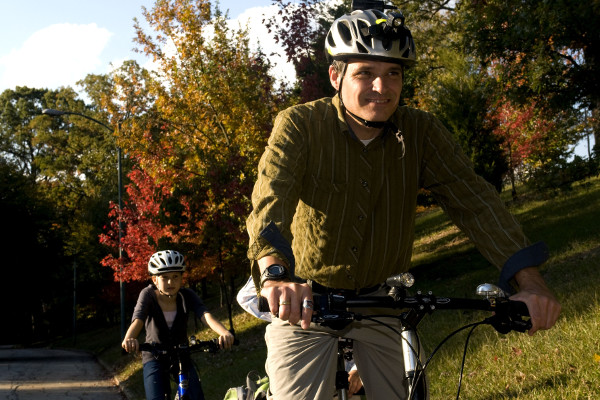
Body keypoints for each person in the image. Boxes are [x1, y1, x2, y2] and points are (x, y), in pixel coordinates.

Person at [245, 5, 561, 400]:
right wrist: (275, 272)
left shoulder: (421, 132)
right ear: (335, 75)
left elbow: (476, 203)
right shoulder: (300, 125)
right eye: (365, 73)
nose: (382, 87)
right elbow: (270, 199)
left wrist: (530, 282)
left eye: (393, 73)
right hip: (304, 302)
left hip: (382, 302)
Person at [122, 250, 235, 400]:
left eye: (175, 277)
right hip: (154, 355)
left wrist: (224, 333)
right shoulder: (148, 295)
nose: (170, 282)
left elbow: (205, 315)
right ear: (155, 280)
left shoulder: (187, 295)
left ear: (182, 277)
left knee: (196, 396)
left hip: (181, 354)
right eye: (165, 278)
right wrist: (129, 338)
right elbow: (138, 319)